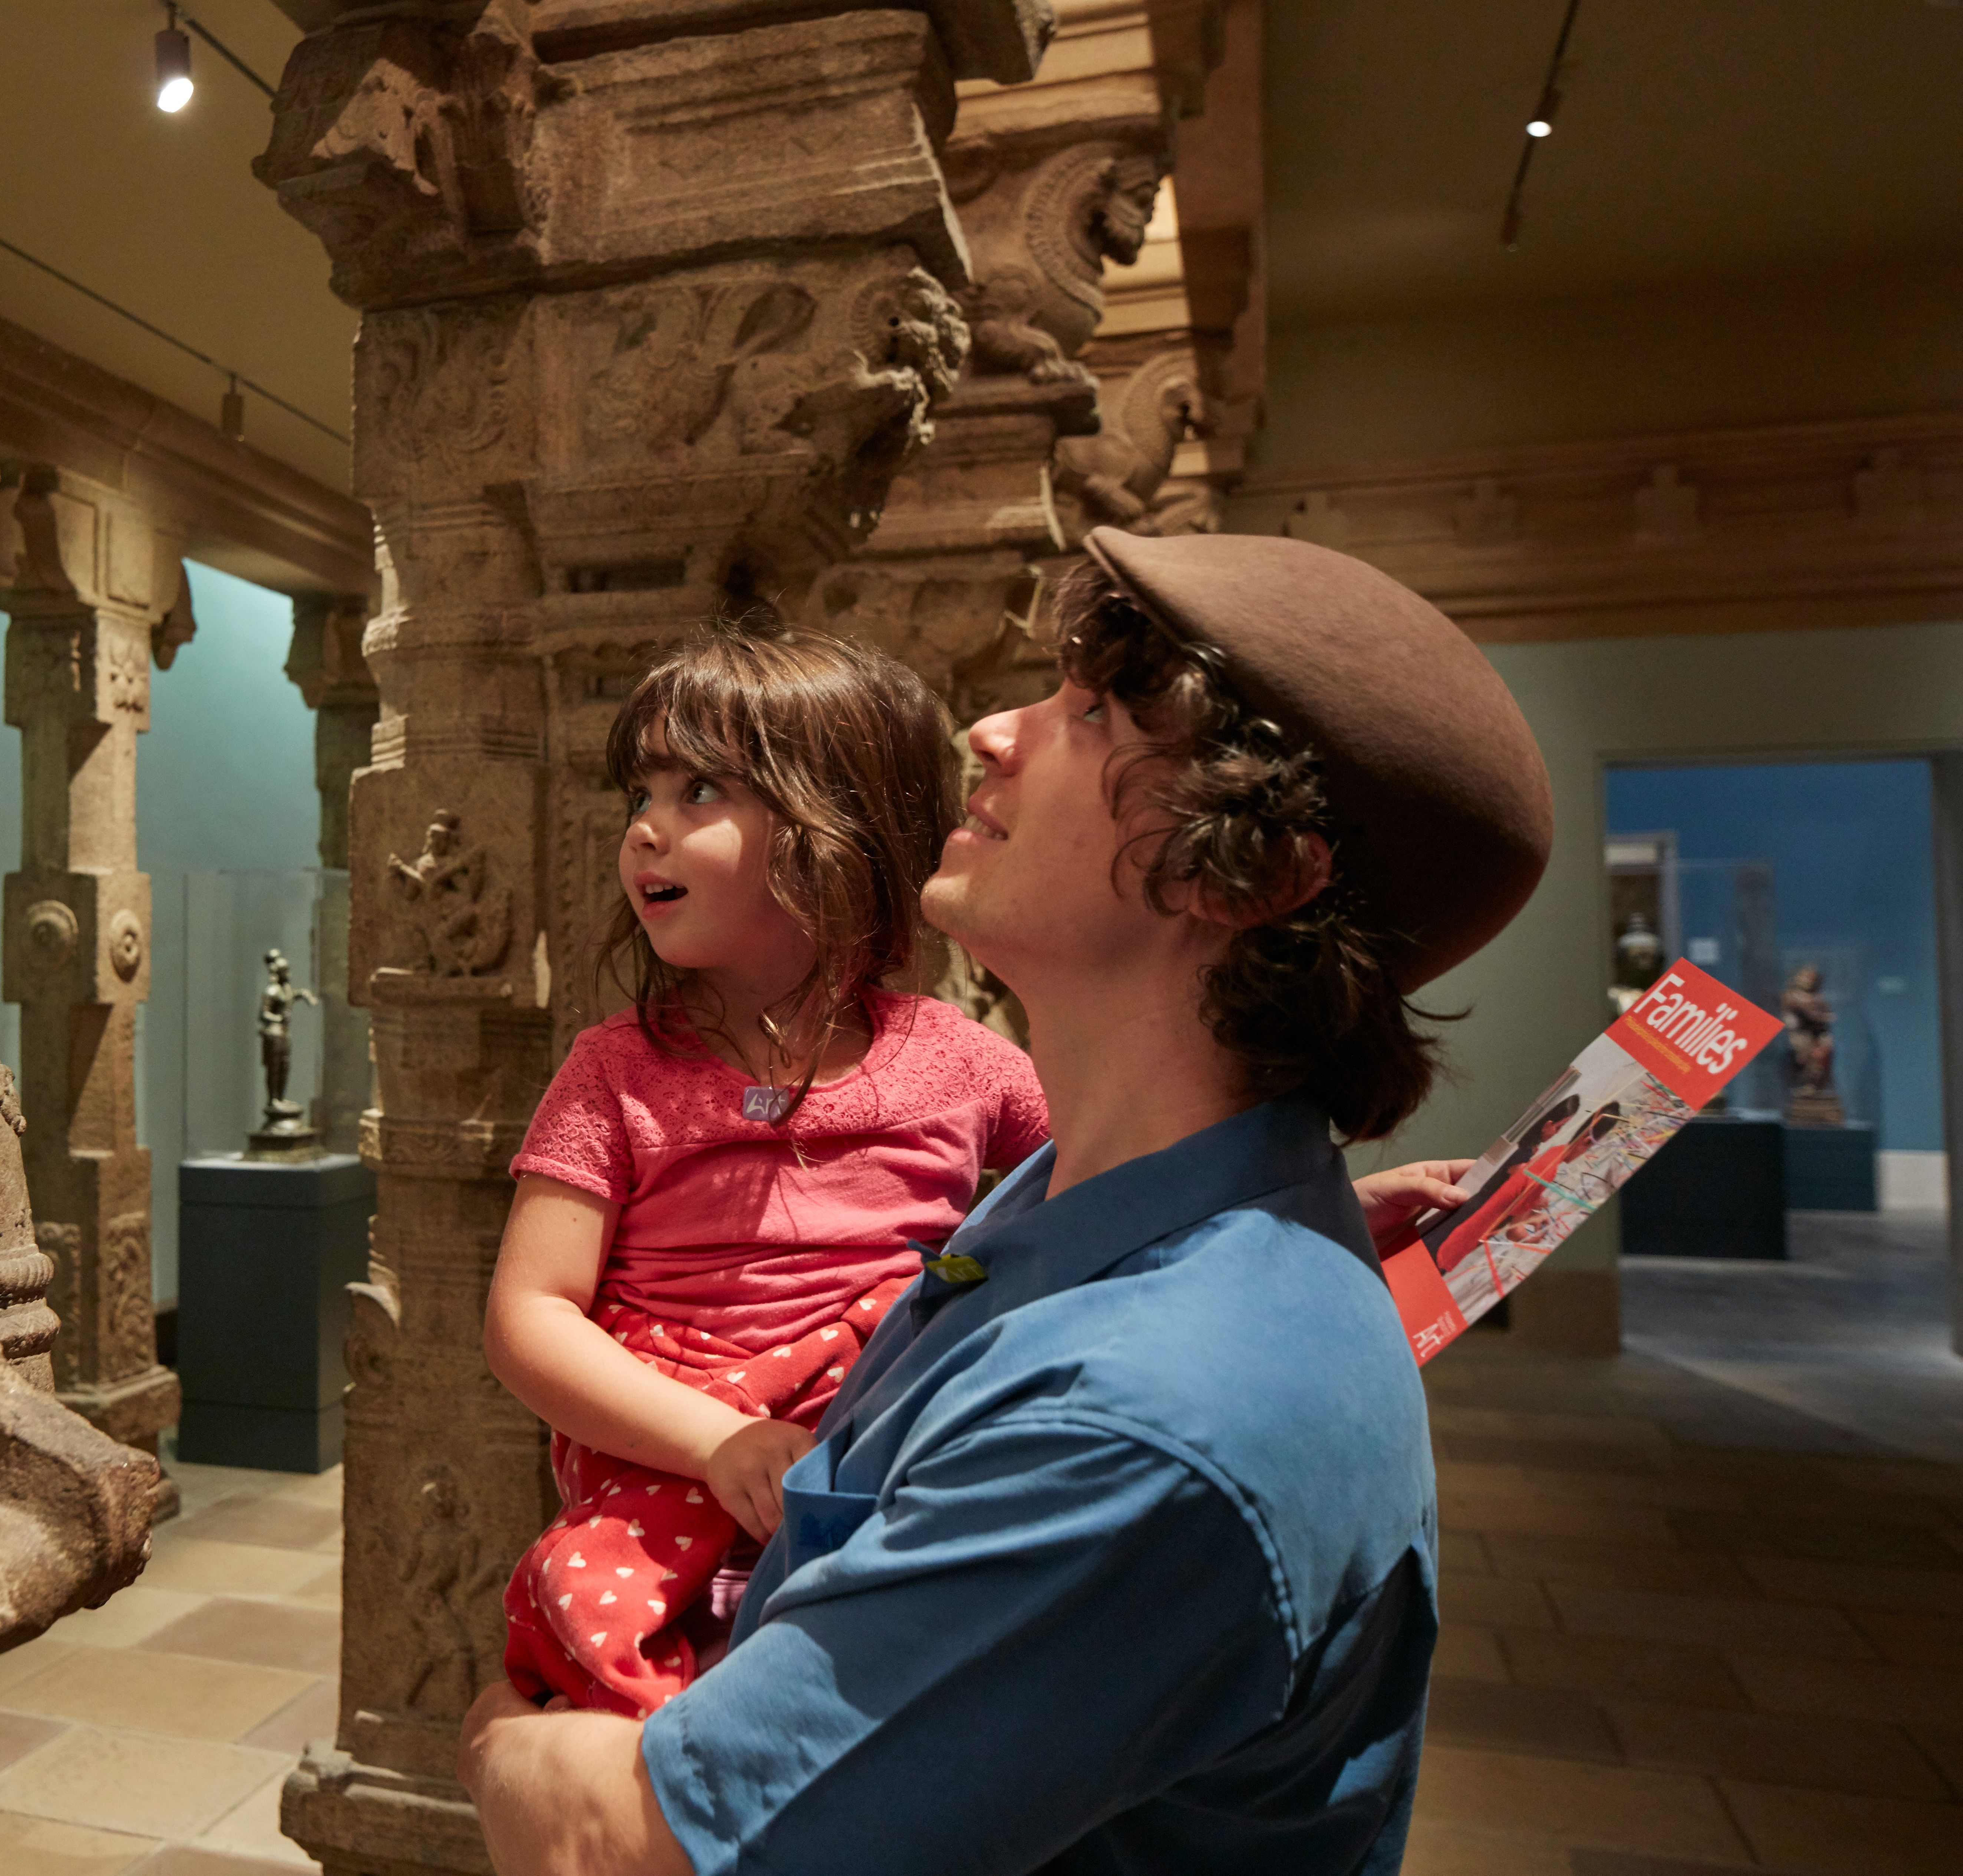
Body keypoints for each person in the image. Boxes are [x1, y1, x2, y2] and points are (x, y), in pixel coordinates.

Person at [459, 528, 1552, 1875]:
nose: (991, 731)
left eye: (1092, 712)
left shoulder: (1140, 1422)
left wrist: (499, 1744)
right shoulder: (1071, 1204)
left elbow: (637, 1846)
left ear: (1249, 872)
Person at [486, 622, 1051, 1714]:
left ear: (840, 826)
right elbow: (529, 1316)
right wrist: (720, 1442)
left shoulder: (962, 1061)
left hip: (881, 1472)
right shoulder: (616, 1070)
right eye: (640, 794)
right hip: (669, 1473)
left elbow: (1118, 1182)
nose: (645, 828)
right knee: (600, 1638)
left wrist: (1313, 1209)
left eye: (699, 790)